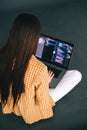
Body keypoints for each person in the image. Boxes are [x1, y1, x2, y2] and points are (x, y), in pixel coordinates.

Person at [0, 13, 82, 124]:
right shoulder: (40, 69)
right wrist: (44, 82)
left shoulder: (2, 53)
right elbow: (42, 102)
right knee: (76, 74)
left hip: (9, 100)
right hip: (29, 109)